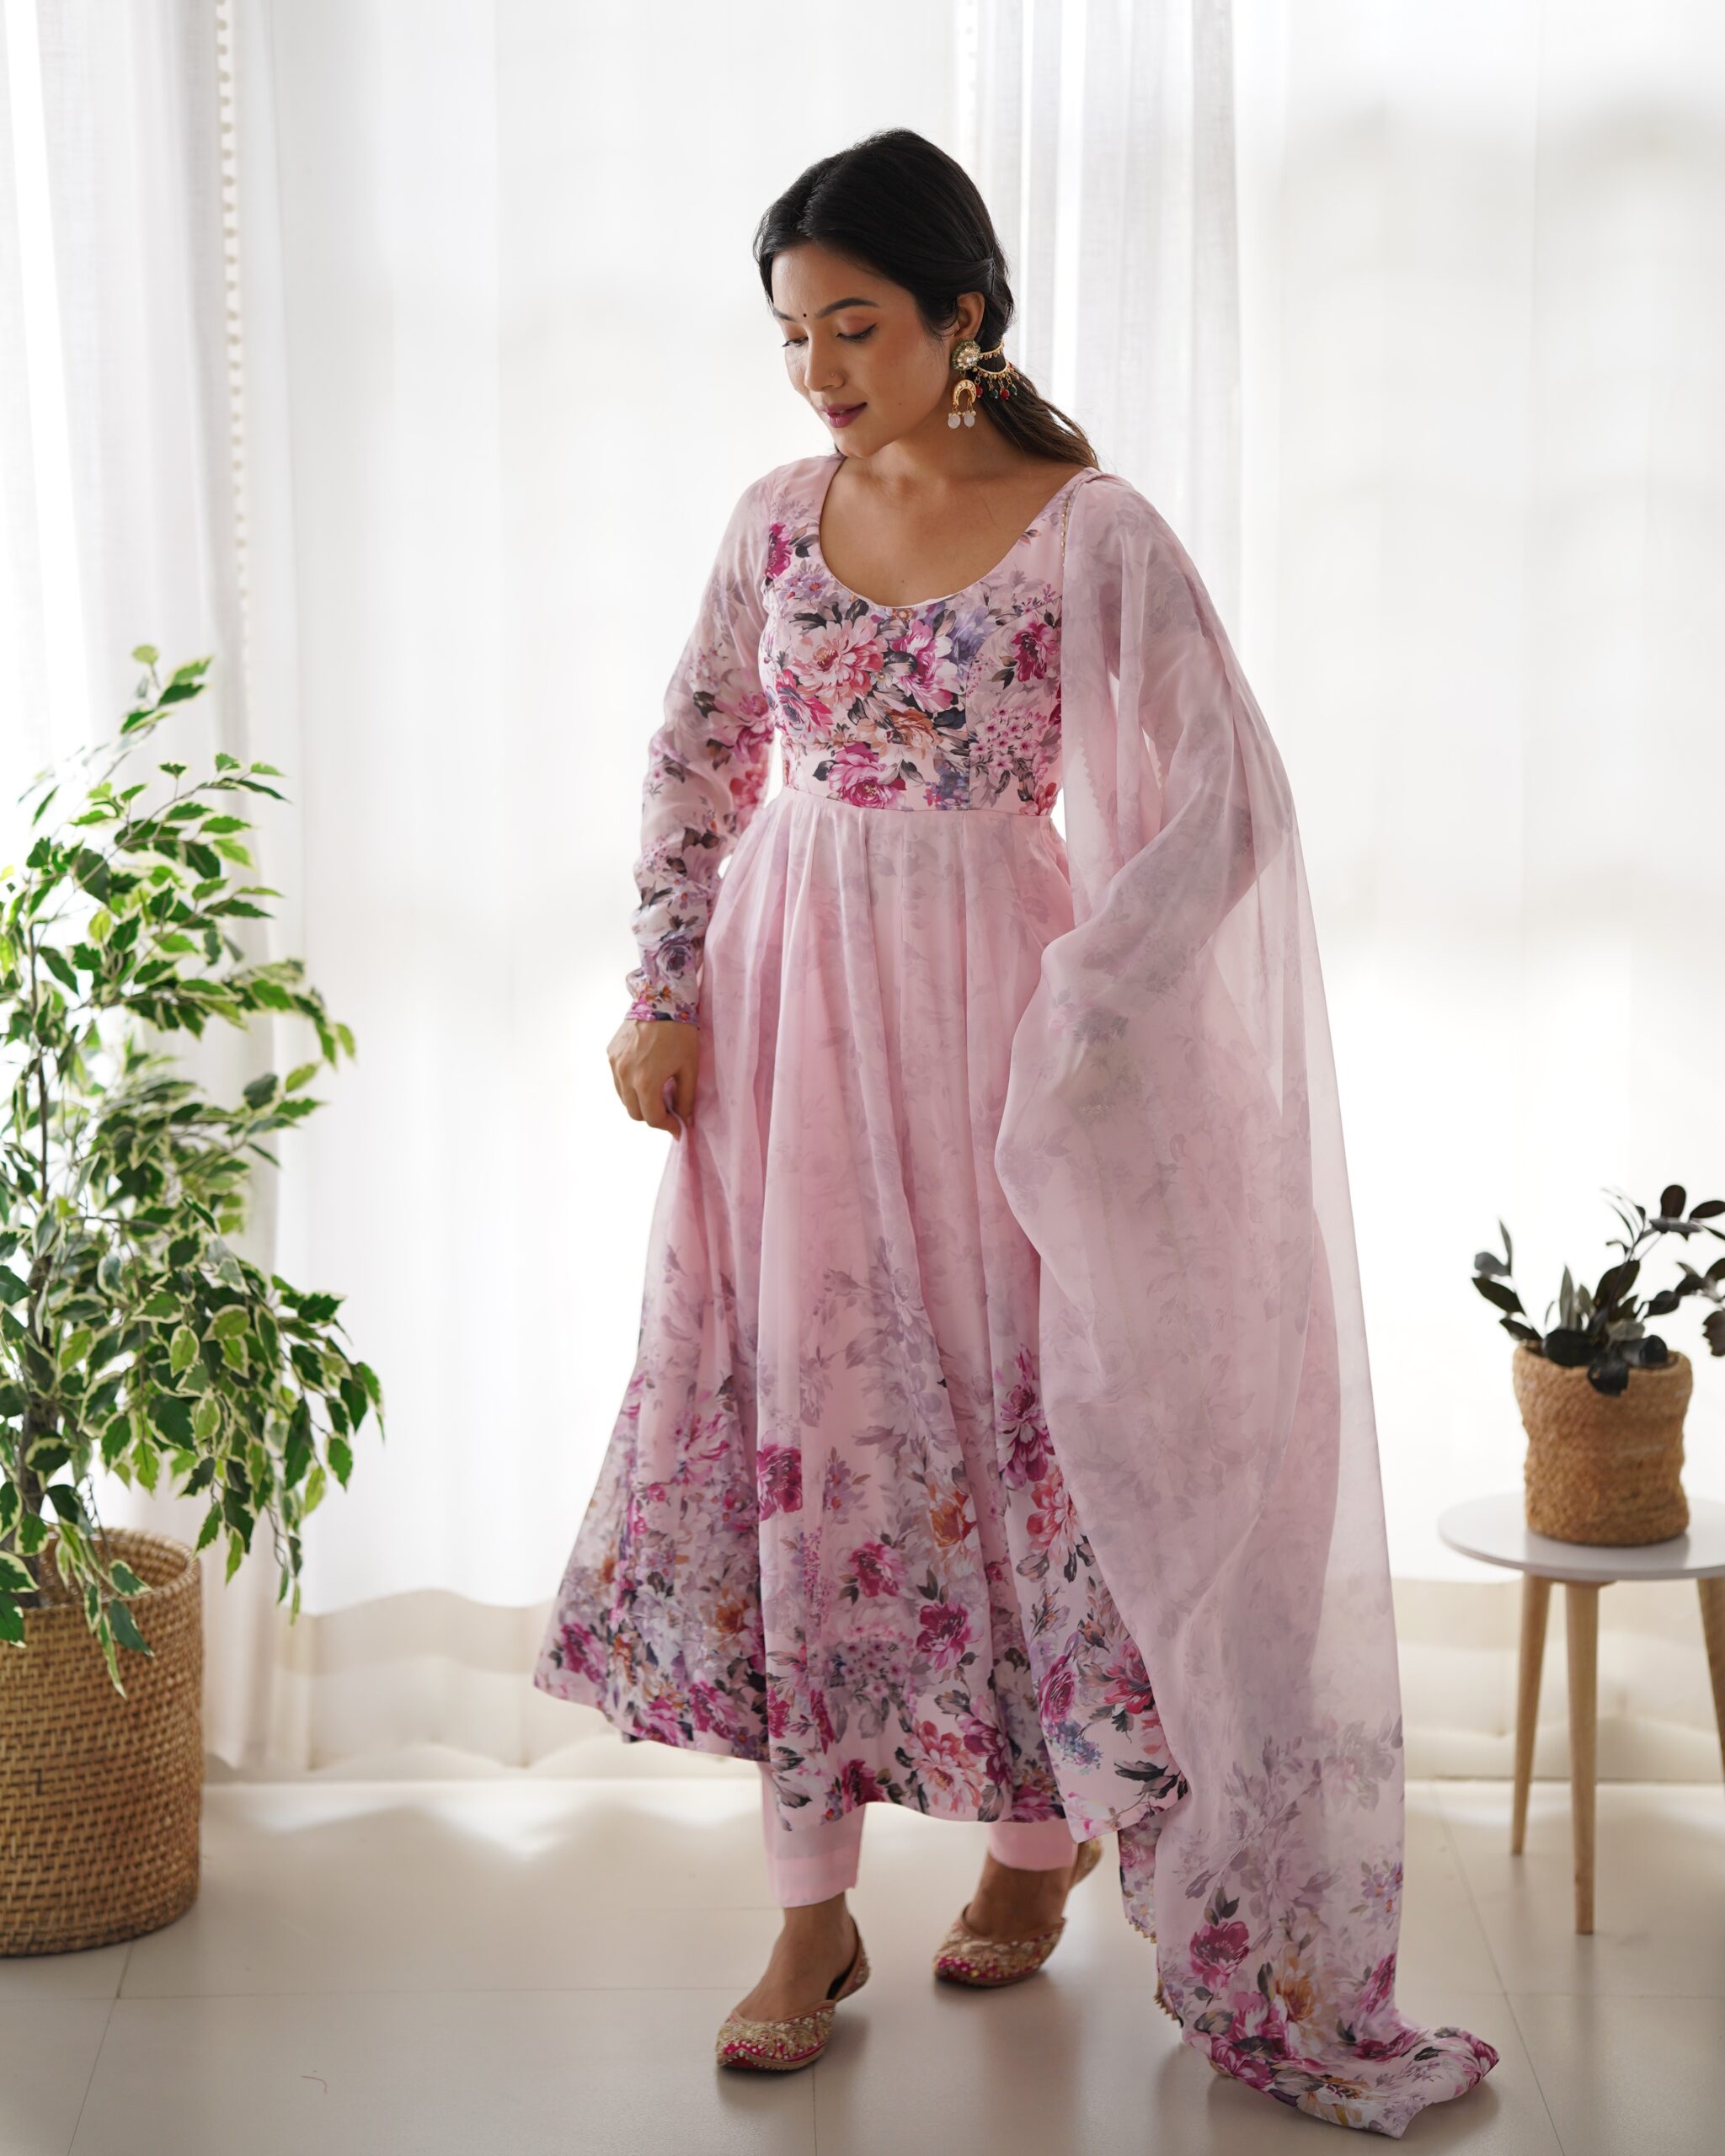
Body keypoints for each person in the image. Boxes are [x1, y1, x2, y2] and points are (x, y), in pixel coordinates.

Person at [533, 128, 1499, 2133]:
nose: (817, 369)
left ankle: (1036, 1842)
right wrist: (660, 986)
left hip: (997, 1029)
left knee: (1017, 1434)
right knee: (813, 1433)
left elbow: (1226, 803)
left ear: (961, 312)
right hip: (787, 1028)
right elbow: (697, 753)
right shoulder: (771, 522)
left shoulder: (1090, 532)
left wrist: (1094, 1009)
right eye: (792, 333)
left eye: (855, 325)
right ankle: (809, 1911)